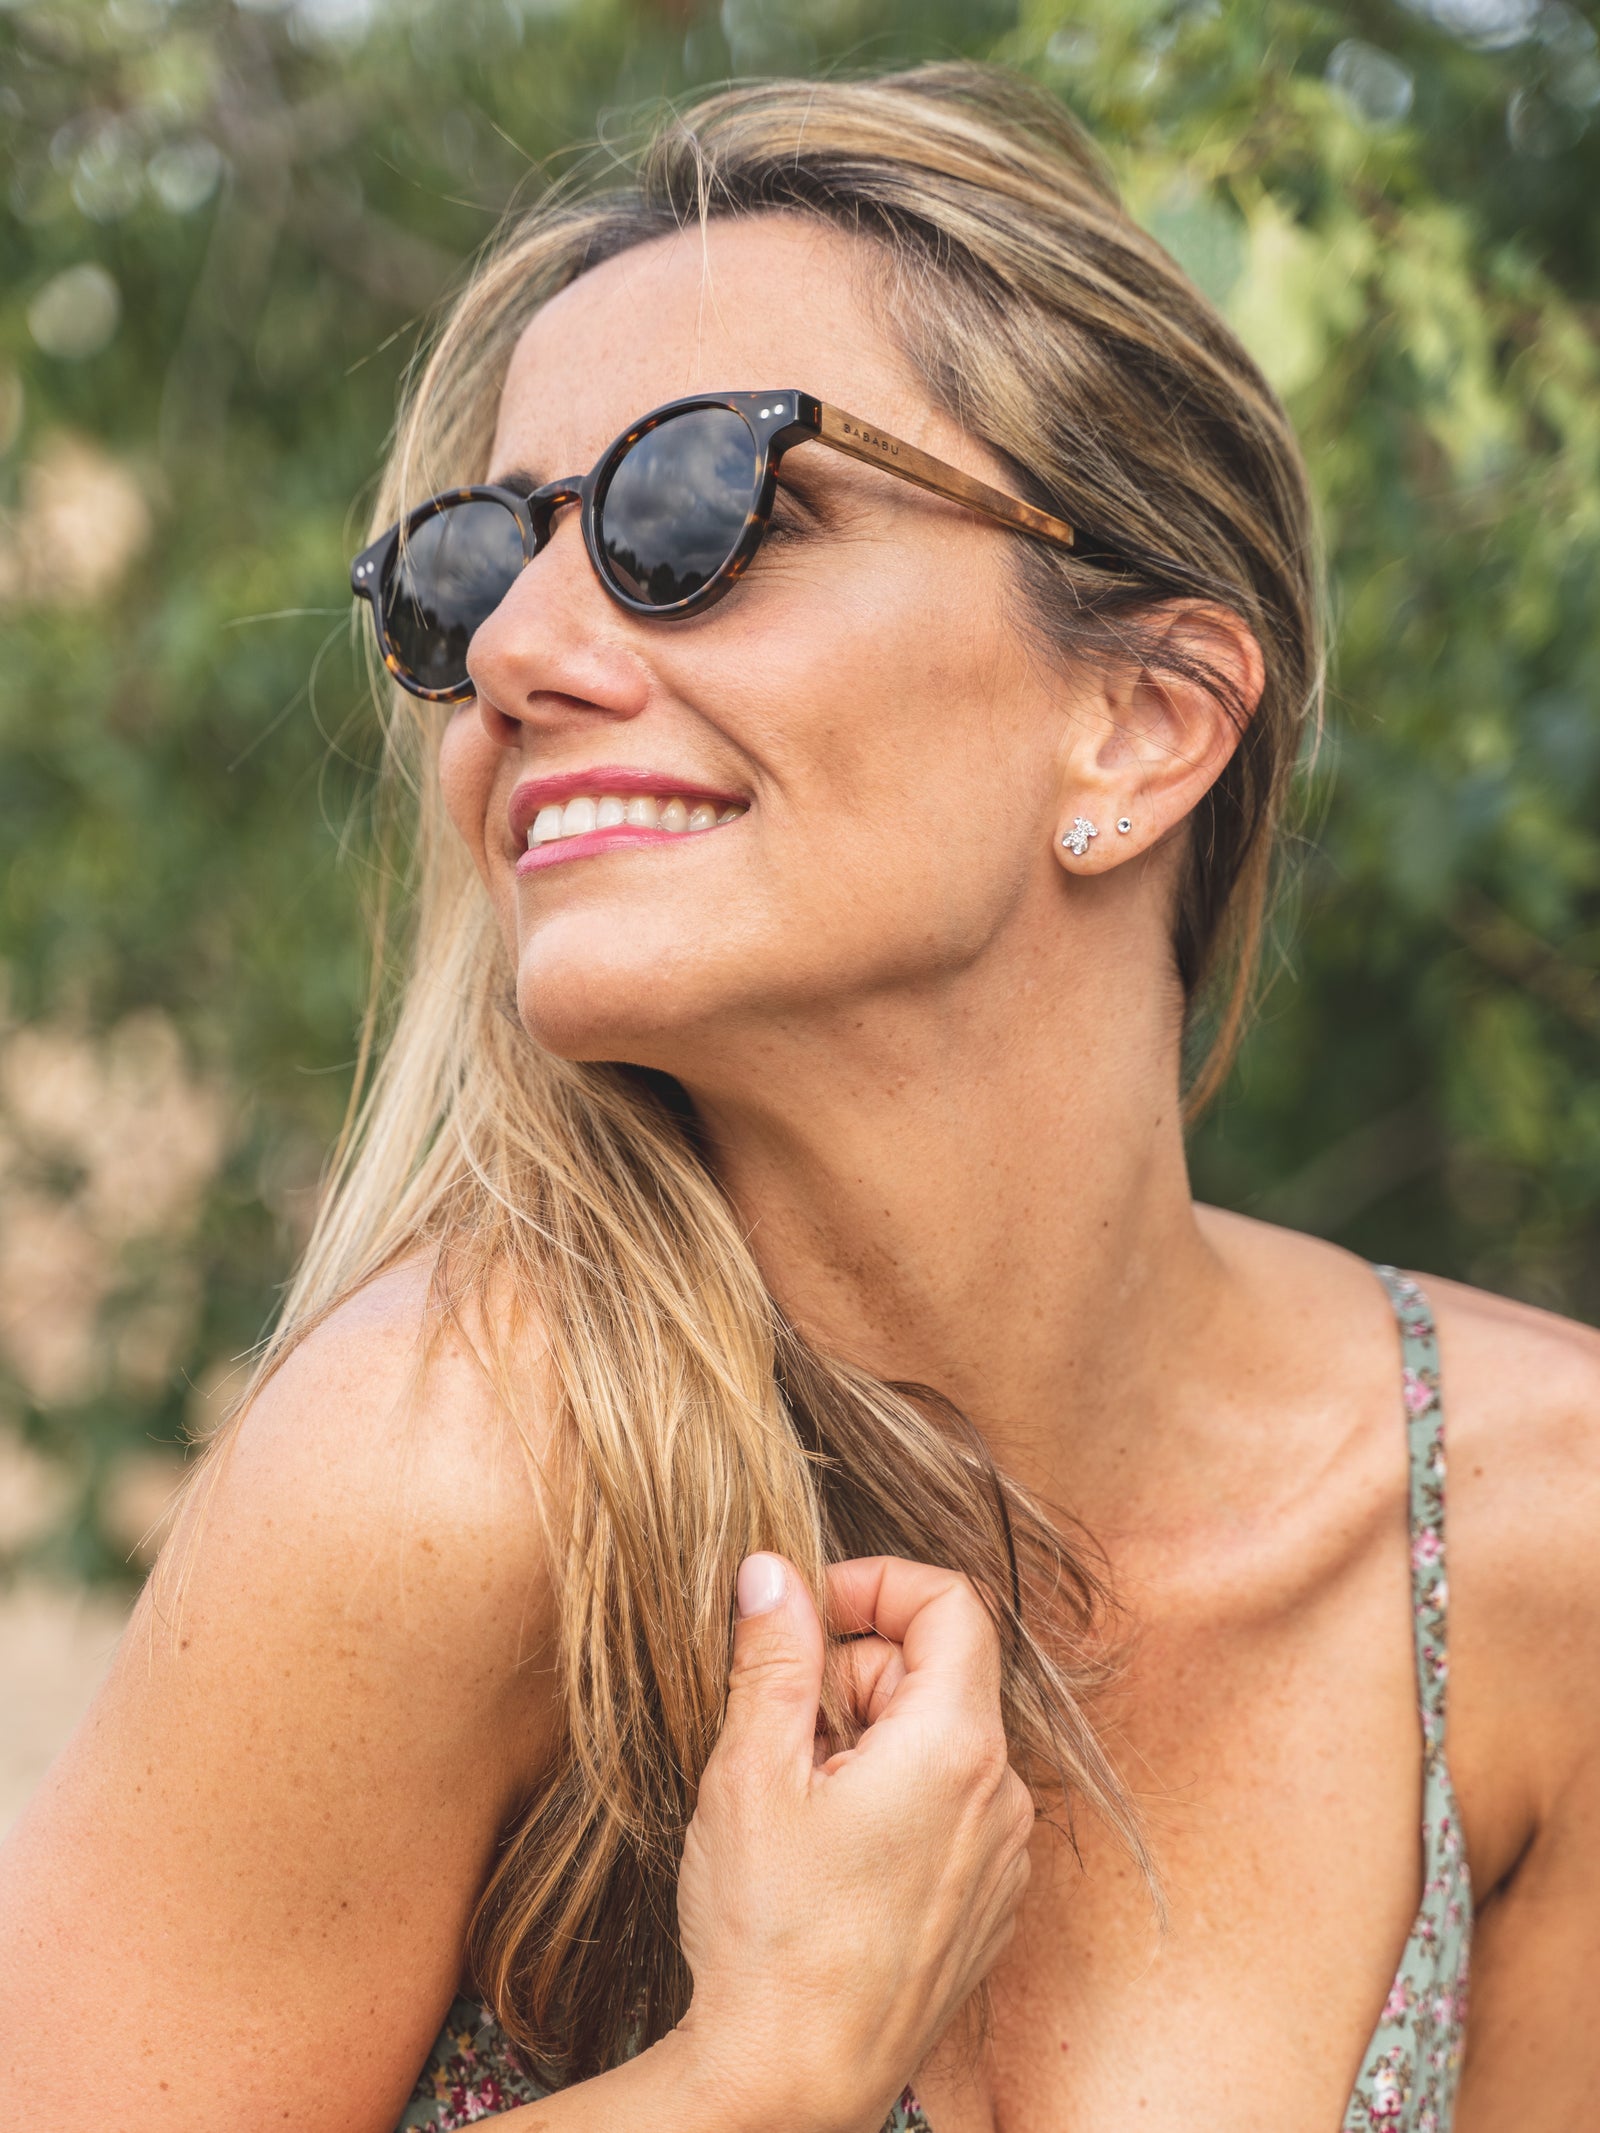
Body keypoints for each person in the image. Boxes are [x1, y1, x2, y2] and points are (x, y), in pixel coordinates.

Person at [3, 60, 1598, 2133]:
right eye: (469, 573)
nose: (519, 654)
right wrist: (757, 2071)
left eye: (700, 508)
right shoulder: (429, 1490)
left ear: (1142, 720)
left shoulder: (1537, 1537)